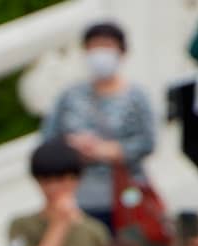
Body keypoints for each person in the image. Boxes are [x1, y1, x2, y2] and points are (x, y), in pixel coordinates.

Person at [41, 21, 158, 231]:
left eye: (106, 46)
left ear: (121, 51)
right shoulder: (70, 96)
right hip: (81, 197)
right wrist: (72, 147)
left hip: (126, 194)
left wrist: (109, 150)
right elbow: (47, 140)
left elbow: (148, 142)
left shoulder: (136, 97)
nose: (99, 53)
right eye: (94, 46)